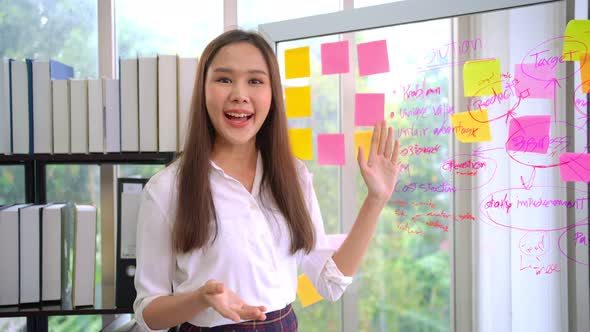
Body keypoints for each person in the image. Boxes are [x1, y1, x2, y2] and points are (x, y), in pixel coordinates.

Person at [133, 29, 401, 332]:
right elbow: (148, 314)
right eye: (224, 79)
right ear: (203, 91)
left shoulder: (294, 176)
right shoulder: (167, 189)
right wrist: (200, 298)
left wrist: (376, 199)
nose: (239, 94)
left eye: (255, 81)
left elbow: (330, 282)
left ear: (273, 95)